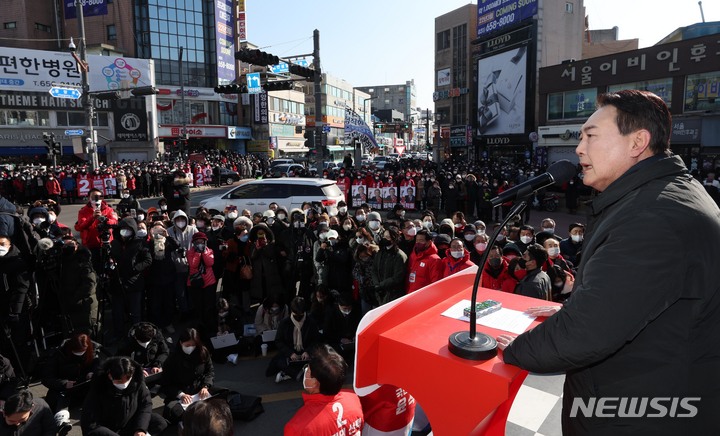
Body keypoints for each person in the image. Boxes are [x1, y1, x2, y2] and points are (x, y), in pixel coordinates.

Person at [497, 90, 720, 434]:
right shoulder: (659, 195)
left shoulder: (655, 217)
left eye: (591, 136)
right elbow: (634, 299)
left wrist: (509, 350)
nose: (579, 149)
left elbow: (585, 333)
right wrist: (577, 306)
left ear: (637, 142)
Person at [284, 344, 364, 435]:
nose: (305, 371)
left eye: (308, 370)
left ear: (315, 382)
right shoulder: (354, 399)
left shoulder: (297, 427)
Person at [42, 332, 102, 426]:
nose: (80, 354)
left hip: (84, 385)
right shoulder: (58, 354)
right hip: (64, 389)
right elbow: (46, 378)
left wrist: (92, 372)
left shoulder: (92, 350)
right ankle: (62, 420)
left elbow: (97, 365)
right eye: (77, 351)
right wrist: (64, 383)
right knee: (60, 398)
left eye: (83, 351)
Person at [160, 328, 218, 424]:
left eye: (193, 345)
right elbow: (166, 384)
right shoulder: (172, 359)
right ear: (181, 343)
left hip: (199, 390)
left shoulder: (203, 352)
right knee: (175, 413)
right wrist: (181, 395)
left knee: (223, 397)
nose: (190, 348)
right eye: (187, 345)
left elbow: (210, 372)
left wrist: (205, 386)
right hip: (180, 394)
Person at [267, 296, 320, 383]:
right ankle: (301, 374)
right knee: (279, 361)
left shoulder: (311, 322)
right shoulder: (284, 323)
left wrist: (307, 351)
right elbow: (279, 341)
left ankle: (292, 374)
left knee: (320, 358)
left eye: (301, 315)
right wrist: (290, 353)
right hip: (290, 352)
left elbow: (315, 340)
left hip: (306, 352)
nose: (298, 318)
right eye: (296, 315)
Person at [405, 229, 442, 294]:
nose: (418, 243)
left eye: (421, 240)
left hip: (423, 297)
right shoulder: (413, 255)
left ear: (429, 242)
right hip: (410, 294)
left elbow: (435, 282)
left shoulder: (434, 259)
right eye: (417, 240)